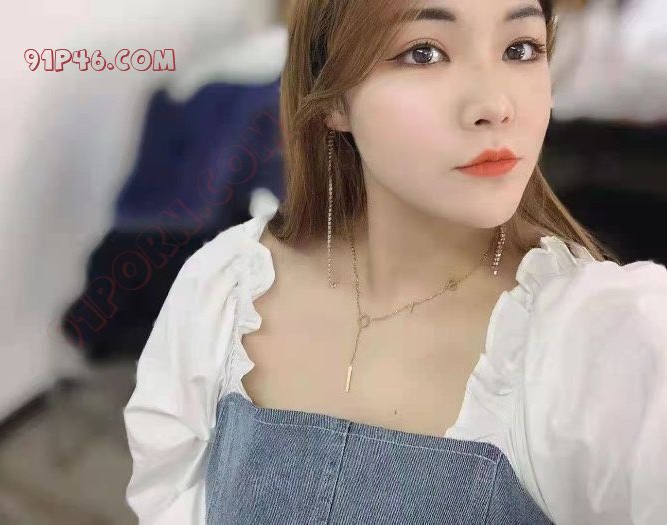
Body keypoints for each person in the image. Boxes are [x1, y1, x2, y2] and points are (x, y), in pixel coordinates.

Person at [123, 0, 667, 523]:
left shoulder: (608, 344)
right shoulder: (224, 291)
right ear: (333, 98)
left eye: (520, 49)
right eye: (424, 53)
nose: (496, 105)